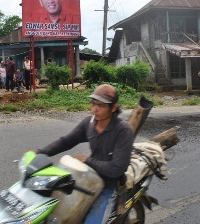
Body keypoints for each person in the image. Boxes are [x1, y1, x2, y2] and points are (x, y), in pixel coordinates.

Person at [36, 84, 133, 223]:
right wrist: (39, 153)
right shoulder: (89, 123)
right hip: (87, 177)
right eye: (93, 103)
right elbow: (66, 142)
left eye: (101, 105)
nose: (95, 109)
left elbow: (116, 169)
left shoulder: (123, 130)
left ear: (114, 108)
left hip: (109, 185)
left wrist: (87, 160)